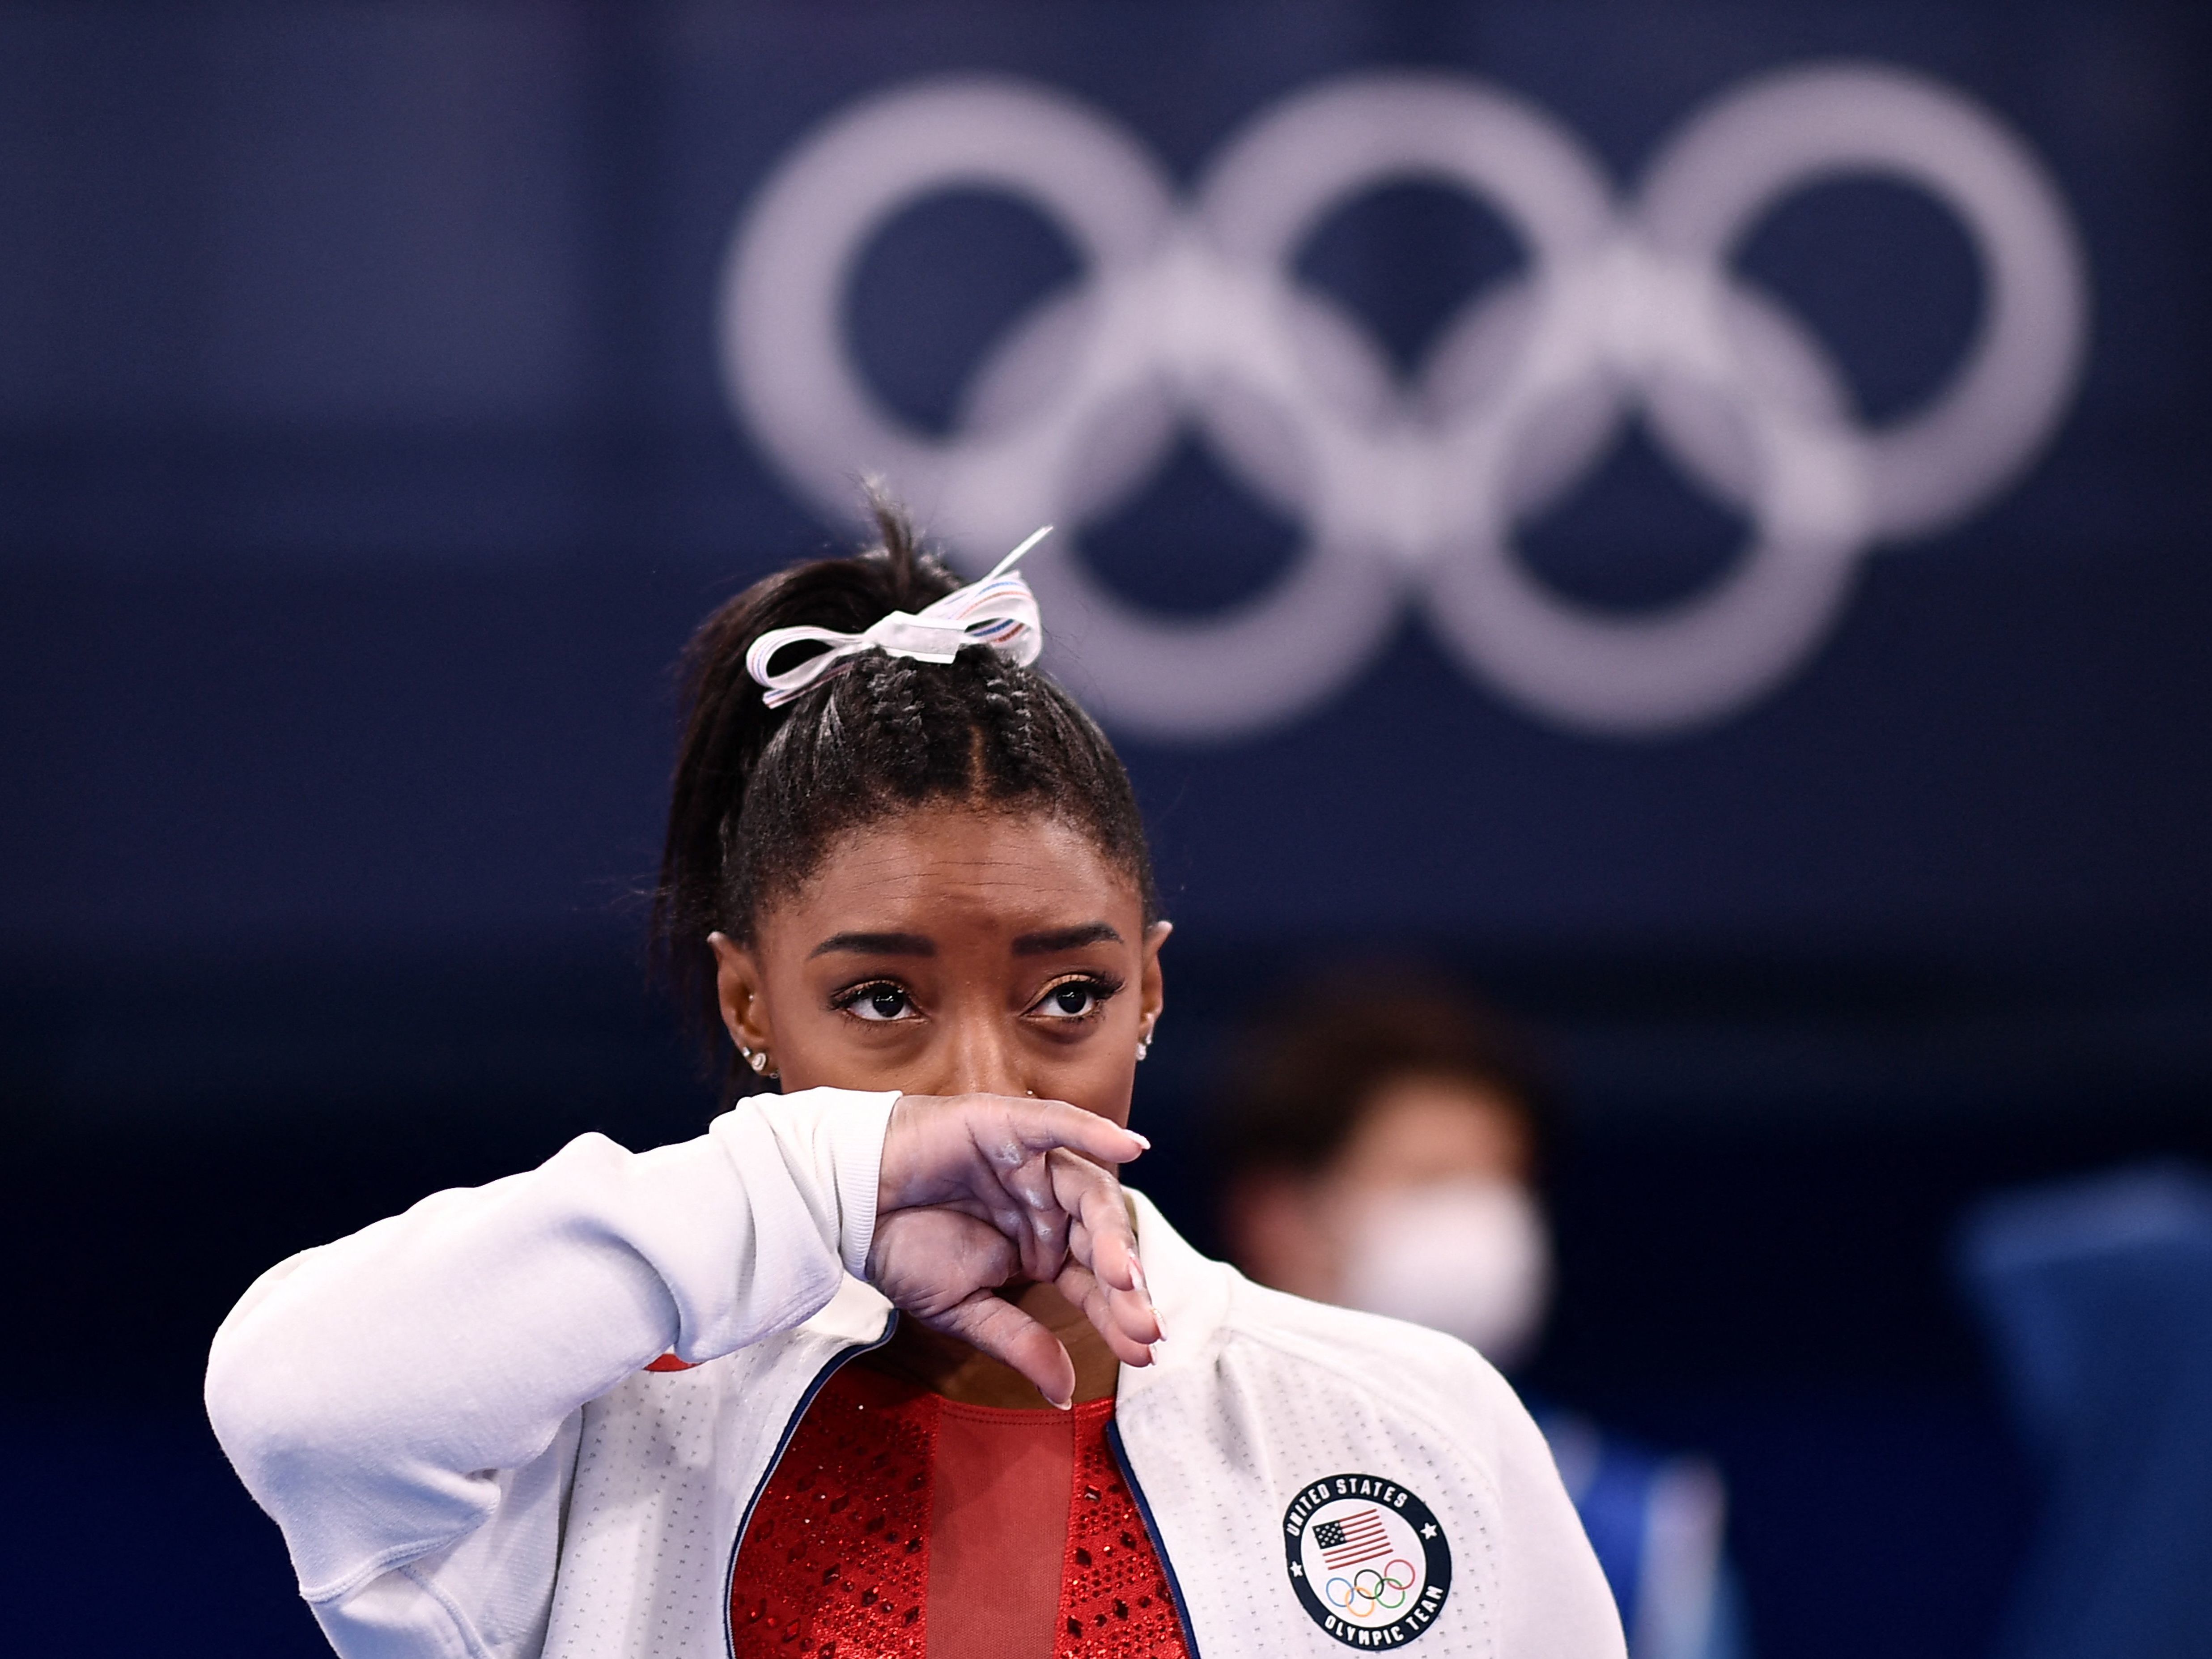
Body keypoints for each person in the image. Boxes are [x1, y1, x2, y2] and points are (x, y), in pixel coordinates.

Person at [204, 503, 1622, 1659]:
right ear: (746, 999)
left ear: (1154, 986)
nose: (983, 1089)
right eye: (881, 999)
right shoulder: (600, 1427)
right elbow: (295, 1402)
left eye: (1069, 994)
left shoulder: (1407, 1424)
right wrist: (817, 1175)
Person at [1214, 974, 1749, 1659]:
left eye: (1502, 1180)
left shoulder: (1638, 1525)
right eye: (1430, 1180)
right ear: (1279, 1219)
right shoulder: (1171, 1479)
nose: (1481, 1221)